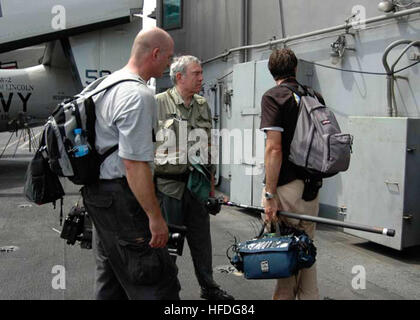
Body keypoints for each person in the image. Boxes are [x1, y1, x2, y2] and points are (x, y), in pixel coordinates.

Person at [81, 27, 180, 300]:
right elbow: (134, 165)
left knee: (110, 279)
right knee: (154, 281)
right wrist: (155, 218)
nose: (170, 63)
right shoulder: (138, 94)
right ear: (155, 53)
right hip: (123, 200)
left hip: (98, 197)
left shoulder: (103, 85)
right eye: (168, 57)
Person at [154, 55, 234, 300]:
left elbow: (208, 150)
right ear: (180, 77)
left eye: (201, 73)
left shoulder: (202, 104)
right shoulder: (158, 103)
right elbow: (144, 149)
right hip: (170, 189)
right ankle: (167, 291)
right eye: (196, 73)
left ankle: (208, 287)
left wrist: (211, 192)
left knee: (202, 243)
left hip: (197, 188)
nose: (202, 77)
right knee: (171, 245)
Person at [260, 48, 325, 300]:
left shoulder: (274, 96)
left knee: (284, 256)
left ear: (271, 71)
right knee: (306, 252)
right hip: (312, 189)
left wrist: (269, 193)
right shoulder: (314, 95)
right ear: (295, 69)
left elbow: (274, 147)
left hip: (287, 189)